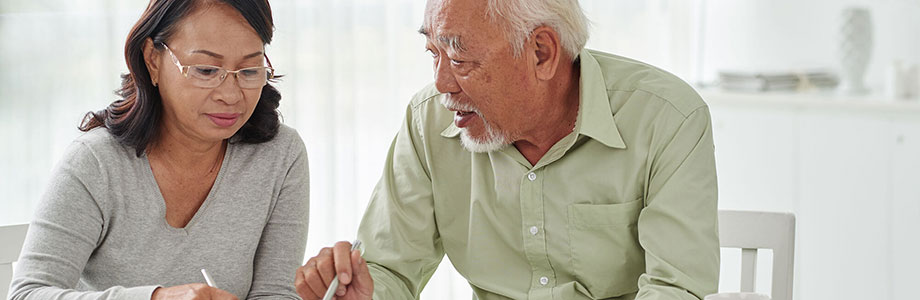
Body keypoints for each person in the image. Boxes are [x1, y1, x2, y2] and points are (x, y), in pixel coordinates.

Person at [296, 0, 719, 299]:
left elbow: (675, 289)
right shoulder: (429, 120)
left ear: (541, 52)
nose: (442, 83)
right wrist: (365, 295)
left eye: (461, 60)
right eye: (434, 53)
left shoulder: (667, 118)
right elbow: (390, 268)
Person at [9, 0, 309, 299]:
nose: (231, 95)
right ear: (153, 60)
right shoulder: (97, 162)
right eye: (205, 70)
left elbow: (276, 293)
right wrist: (156, 298)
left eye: (248, 70)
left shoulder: (280, 155)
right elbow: (27, 294)